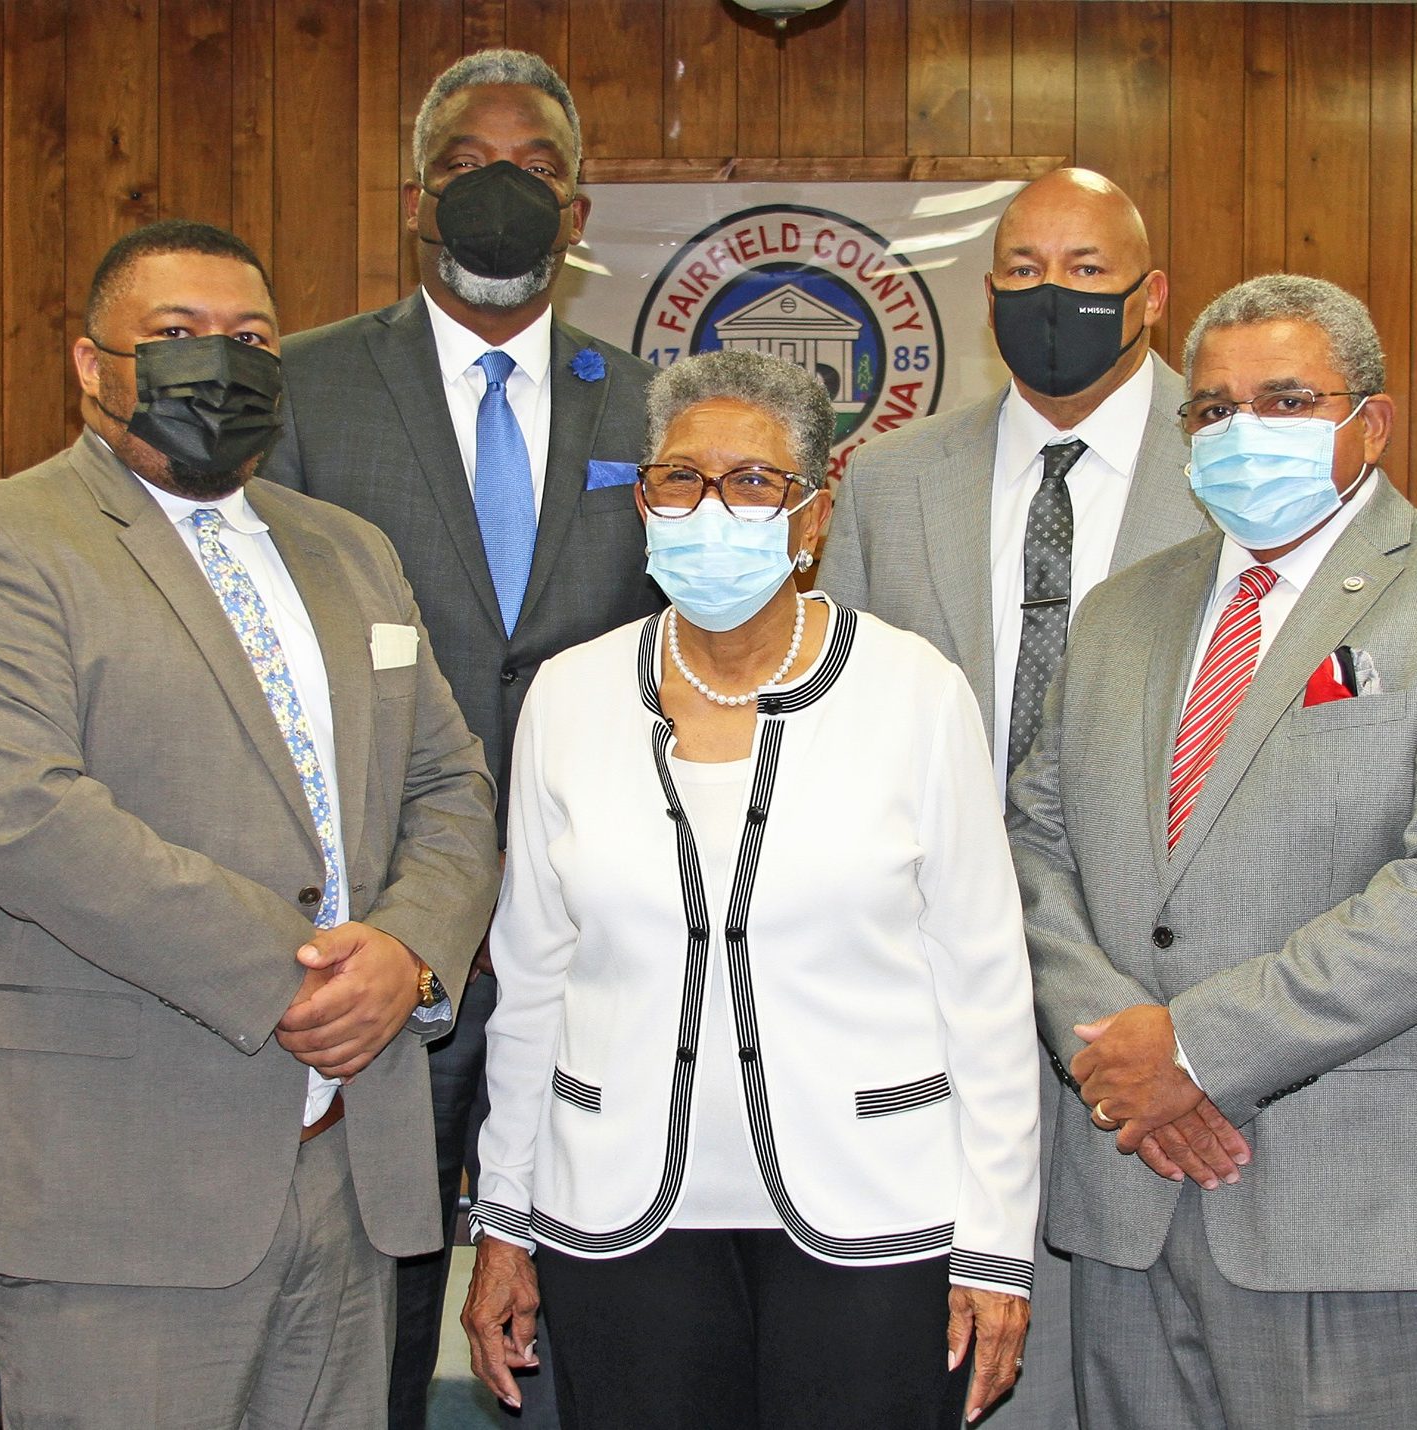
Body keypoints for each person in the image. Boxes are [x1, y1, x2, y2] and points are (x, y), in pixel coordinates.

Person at [0, 218, 499, 1427]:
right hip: (122, 1170)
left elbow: (450, 783)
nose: (219, 361)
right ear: (90, 363)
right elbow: (18, 816)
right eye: (175, 333)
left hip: (349, 1159)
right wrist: (303, 972)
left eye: (251, 337)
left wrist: (407, 951)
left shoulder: (351, 550)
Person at [1010, 274, 1417, 1429]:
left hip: (1369, 1211)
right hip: (1130, 1199)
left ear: (1371, 421)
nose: (1242, 430)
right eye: (1212, 408)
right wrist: (1115, 1049)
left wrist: (1193, 1048)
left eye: (1283, 399)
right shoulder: (1118, 613)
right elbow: (1031, 844)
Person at [460, 350, 1038, 1429]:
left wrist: (996, 1242)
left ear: (811, 518)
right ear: (644, 505)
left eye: (754, 481)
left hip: (874, 1208)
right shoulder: (569, 697)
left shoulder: (915, 692)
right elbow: (531, 981)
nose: (710, 507)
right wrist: (502, 1215)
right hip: (616, 1211)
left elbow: (985, 986)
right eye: (680, 478)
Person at [256, 50, 658, 1424]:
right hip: (379, 946)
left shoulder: (648, 402)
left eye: (535, 166)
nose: (502, 190)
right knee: (360, 1323)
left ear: (578, 210)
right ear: (416, 201)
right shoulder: (302, 387)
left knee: (592, 1317)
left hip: (592, 945)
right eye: (467, 166)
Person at [817, 165, 1205, 1430]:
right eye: (1023, 271)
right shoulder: (891, 480)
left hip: (1162, 996)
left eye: (1086, 271)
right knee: (969, 1376)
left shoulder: (1227, 463)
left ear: (1150, 293)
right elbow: (839, 727)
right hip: (933, 994)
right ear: (985, 295)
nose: (1053, 295)